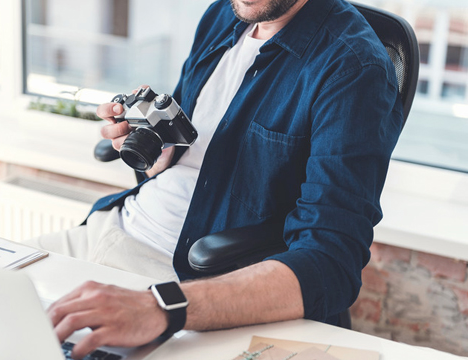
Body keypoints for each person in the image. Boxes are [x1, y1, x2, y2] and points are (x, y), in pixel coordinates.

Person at [29, 0, 404, 358]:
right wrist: (154, 152)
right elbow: (184, 151)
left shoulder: (354, 67)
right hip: (106, 230)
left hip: (183, 282)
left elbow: (330, 265)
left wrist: (160, 305)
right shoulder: (220, 18)